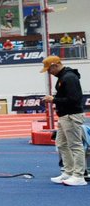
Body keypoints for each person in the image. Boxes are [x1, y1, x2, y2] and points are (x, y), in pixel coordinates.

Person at [42, 55, 85, 187]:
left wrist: (53, 100)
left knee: (75, 145)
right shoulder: (63, 77)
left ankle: (78, 175)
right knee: (61, 144)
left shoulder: (69, 77)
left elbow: (74, 99)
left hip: (71, 116)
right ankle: (69, 172)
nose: (49, 73)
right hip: (64, 116)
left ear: (55, 65)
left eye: (49, 70)